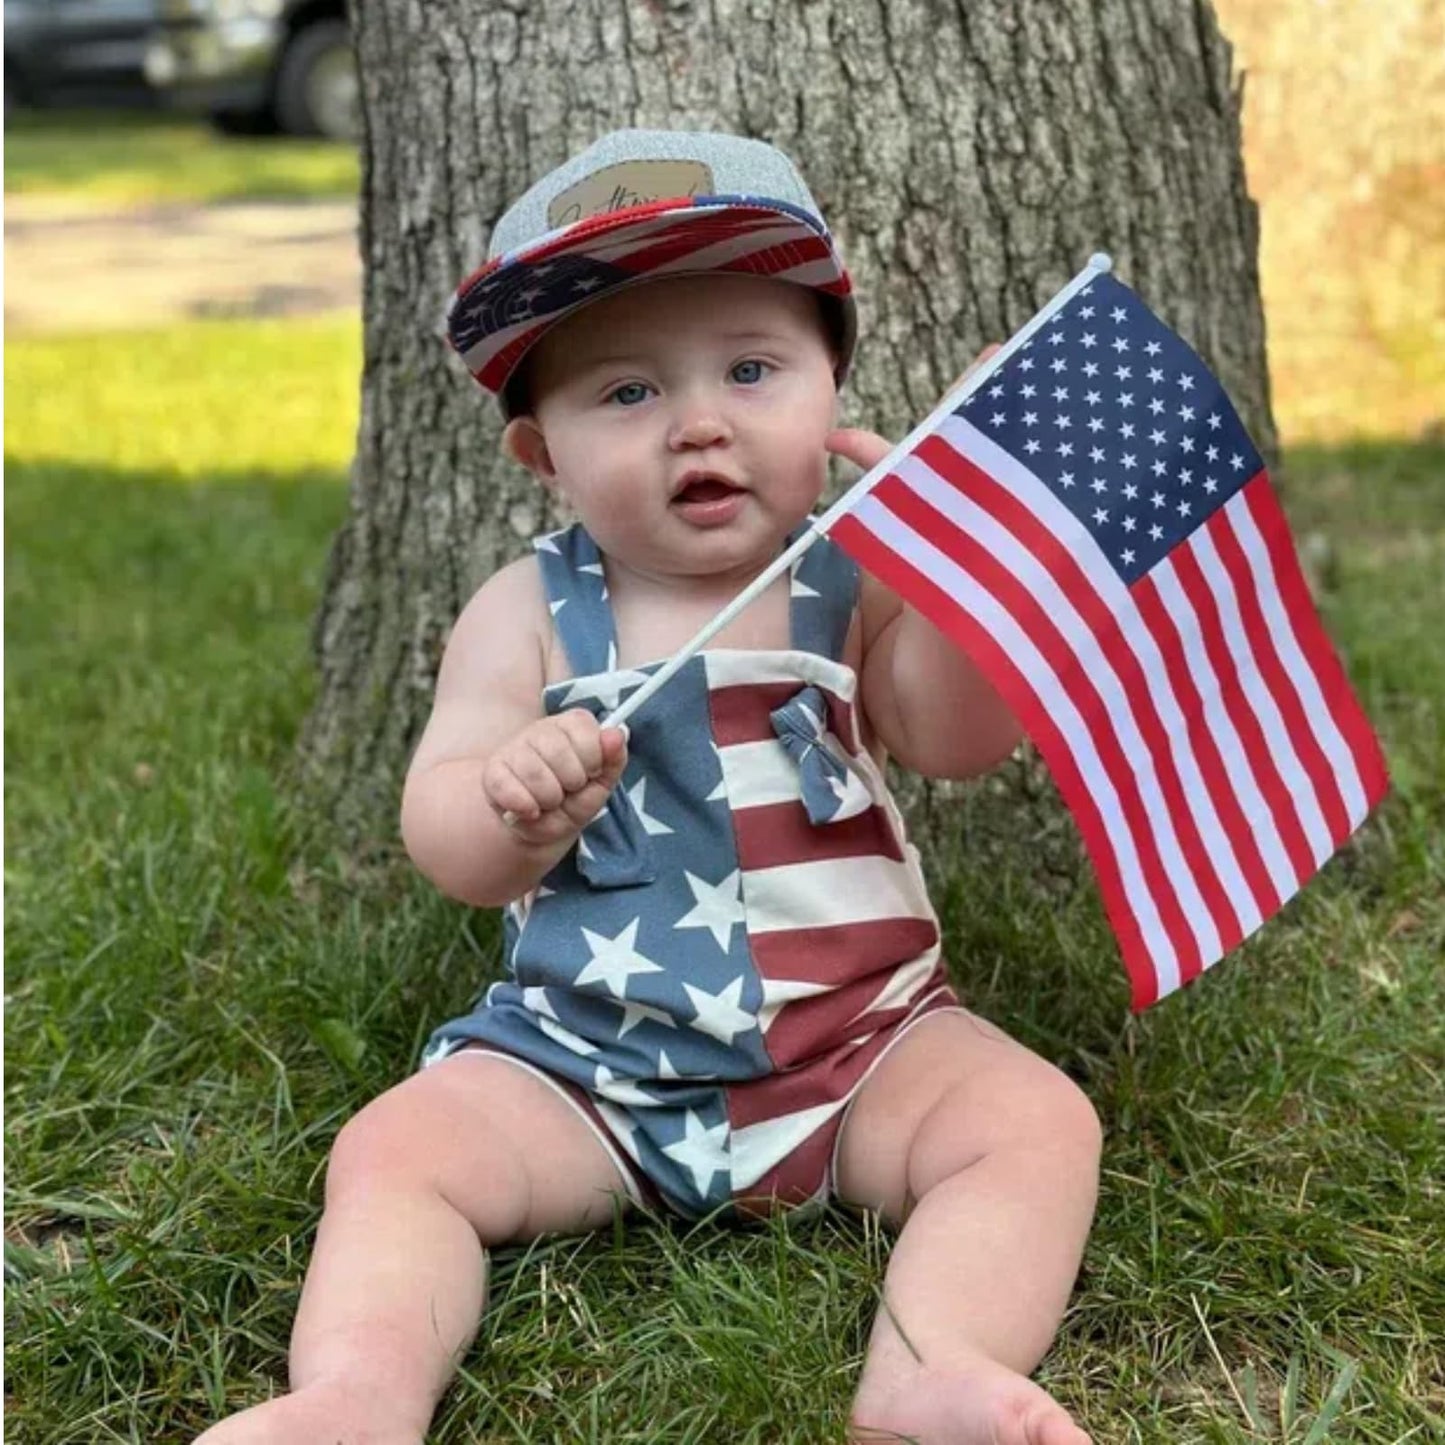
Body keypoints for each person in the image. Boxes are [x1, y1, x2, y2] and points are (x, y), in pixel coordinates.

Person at [199, 129, 1101, 1445]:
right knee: (395, 1154)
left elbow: (953, 734)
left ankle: (928, 1367)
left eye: (751, 369)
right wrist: (506, 799)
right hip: (582, 1068)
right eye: (625, 392)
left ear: (826, 383)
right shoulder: (529, 611)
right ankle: (353, 1397)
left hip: (858, 1049)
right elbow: (443, 830)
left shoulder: (854, 577)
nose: (699, 421)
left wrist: (981, 554)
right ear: (540, 455)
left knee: (1031, 1123)